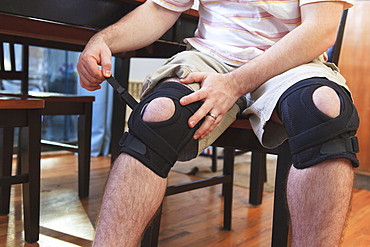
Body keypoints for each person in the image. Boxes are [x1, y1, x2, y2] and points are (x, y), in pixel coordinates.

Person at [77, 0, 360, 245]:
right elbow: (159, 9)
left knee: (323, 111)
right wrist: (103, 41)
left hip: (289, 61)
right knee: (158, 116)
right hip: (210, 59)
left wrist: (235, 84)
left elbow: (321, 29)